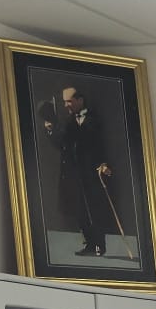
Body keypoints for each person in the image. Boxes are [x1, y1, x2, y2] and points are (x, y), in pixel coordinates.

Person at [39, 86, 115, 257]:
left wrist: (103, 164)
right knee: (79, 211)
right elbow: (61, 144)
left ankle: (99, 246)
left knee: (94, 210)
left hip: (91, 172)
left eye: (69, 101)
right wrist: (50, 130)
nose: (66, 105)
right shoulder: (67, 121)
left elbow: (101, 145)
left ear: (80, 100)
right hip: (73, 174)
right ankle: (89, 244)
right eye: (64, 102)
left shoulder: (95, 120)